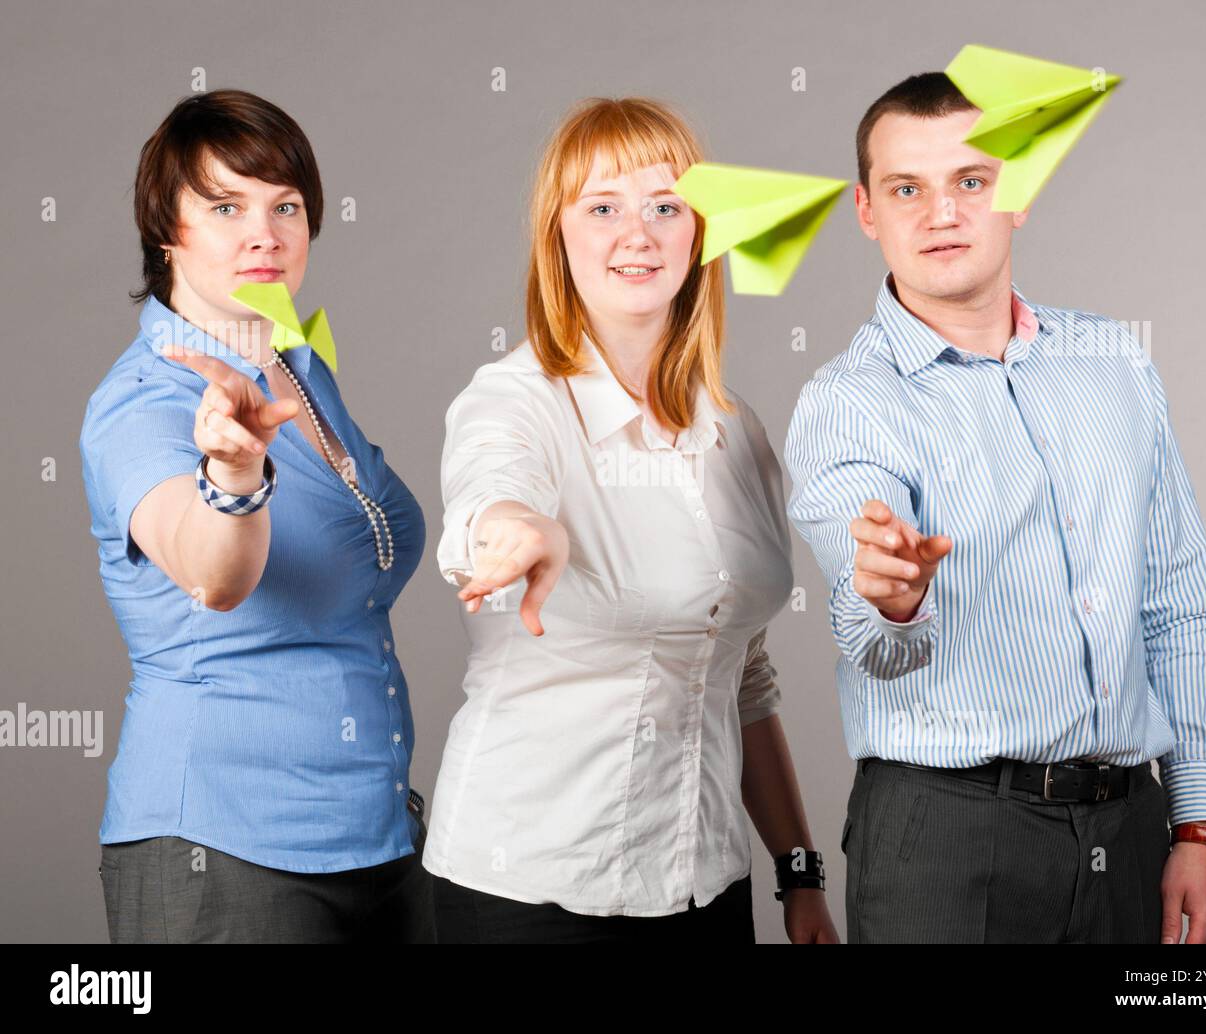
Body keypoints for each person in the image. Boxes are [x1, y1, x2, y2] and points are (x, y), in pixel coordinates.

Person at [784, 72, 1206, 944]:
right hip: (947, 841)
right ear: (867, 211)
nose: (940, 213)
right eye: (906, 188)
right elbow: (871, 636)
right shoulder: (849, 402)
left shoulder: (1115, 363)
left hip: (1130, 828)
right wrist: (892, 596)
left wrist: (1197, 824)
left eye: (971, 182)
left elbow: (1176, 598)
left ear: (1015, 192)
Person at [424, 97, 837, 943]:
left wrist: (797, 871)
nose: (636, 234)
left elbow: (742, 679)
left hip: (702, 883)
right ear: (558, 236)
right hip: (530, 890)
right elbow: (484, 498)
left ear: (701, 233)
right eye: (602, 208)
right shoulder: (515, 400)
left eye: (665, 207)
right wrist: (516, 532)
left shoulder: (736, 430)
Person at [79, 89, 432, 943]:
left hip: (379, 841)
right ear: (167, 230)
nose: (265, 232)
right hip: (222, 848)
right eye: (226, 206)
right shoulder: (138, 403)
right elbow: (210, 572)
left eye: (287, 206)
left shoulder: (298, 369)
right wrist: (233, 475)